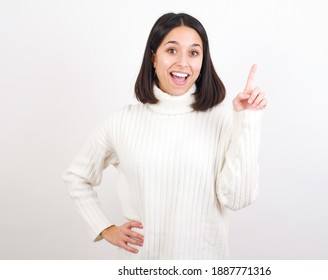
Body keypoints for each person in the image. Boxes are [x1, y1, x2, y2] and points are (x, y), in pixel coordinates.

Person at [63, 12, 268, 260]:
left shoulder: (222, 120)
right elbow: (77, 176)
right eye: (172, 50)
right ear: (153, 58)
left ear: (203, 61)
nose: (183, 62)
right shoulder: (122, 121)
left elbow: (238, 198)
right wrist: (104, 228)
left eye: (193, 53)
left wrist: (247, 120)